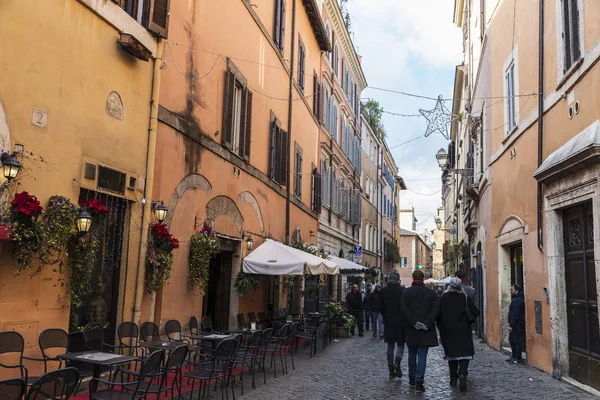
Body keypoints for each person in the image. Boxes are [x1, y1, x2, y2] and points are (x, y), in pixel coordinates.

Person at [437, 277, 480, 392]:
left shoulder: (443, 298)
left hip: (448, 330)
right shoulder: (465, 297)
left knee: (452, 355)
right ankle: (462, 373)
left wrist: (441, 327)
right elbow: (476, 312)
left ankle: (452, 379)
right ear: (460, 285)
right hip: (463, 329)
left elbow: (437, 315)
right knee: (465, 353)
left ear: (450, 286)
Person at [401, 269, 439, 393]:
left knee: (412, 354)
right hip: (426, 330)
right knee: (422, 356)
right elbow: (435, 310)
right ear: (423, 278)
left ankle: (412, 379)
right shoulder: (431, 293)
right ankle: (419, 381)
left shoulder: (406, 292)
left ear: (413, 278)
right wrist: (426, 323)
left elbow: (404, 309)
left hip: (412, 329)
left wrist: (414, 323)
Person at [380, 270, 406, 379]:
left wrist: (385, 315)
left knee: (390, 345)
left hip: (389, 320)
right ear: (398, 278)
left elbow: (381, 307)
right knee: (400, 344)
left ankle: (390, 369)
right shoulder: (402, 291)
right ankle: (397, 362)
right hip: (400, 321)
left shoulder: (383, 291)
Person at [507, 283, 525, 364]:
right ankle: (514, 357)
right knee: (511, 339)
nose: (510, 291)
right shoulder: (516, 299)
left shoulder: (517, 300)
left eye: (512, 289)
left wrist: (511, 325)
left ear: (517, 291)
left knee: (516, 341)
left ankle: (517, 358)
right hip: (515, 323)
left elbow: (515, 314)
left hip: (516, 324)